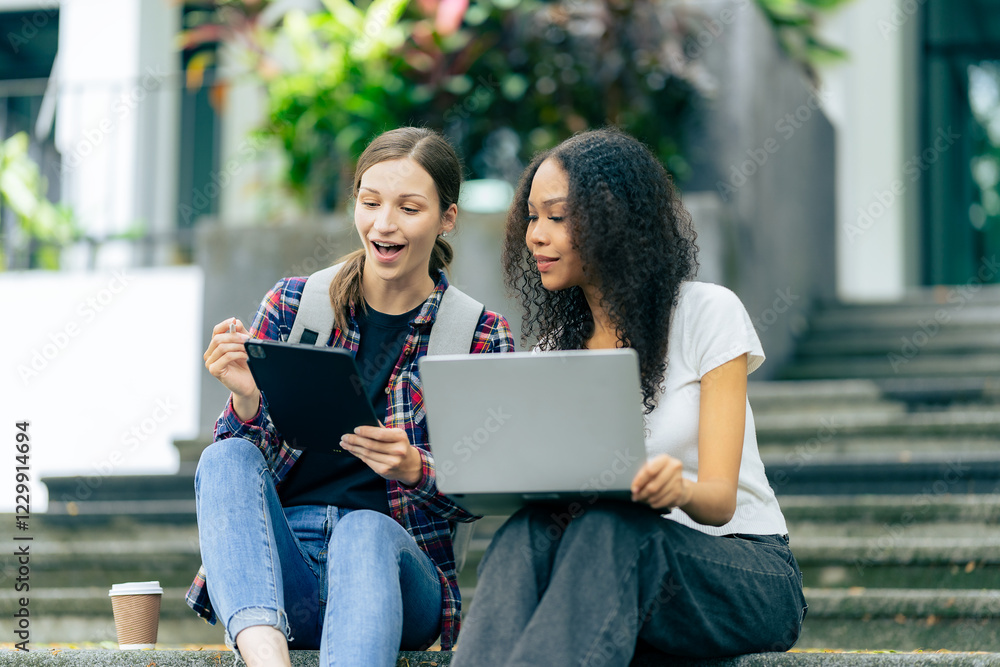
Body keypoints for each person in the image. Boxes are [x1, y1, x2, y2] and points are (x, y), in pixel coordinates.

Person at [451, 128, 807, 667]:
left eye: (557, 216)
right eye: (530, 217)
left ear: (611, 218)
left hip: (744, 573)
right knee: (527, 531)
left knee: (616, 529)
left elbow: (718, 501)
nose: (535, 236)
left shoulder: (707, 314)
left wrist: (677, 488)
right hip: (603, 564)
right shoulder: (552, 351)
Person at [187, 127, 514, 667]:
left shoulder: (478, 333)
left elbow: (489, 489)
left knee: (363, 531)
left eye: (409, 208)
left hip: (400, 575)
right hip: (282, 568)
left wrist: (415, 468)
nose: (385, 224)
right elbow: (240, 484)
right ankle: (266, 658)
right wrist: (247, 400)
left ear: (447, 218)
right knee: (224, 455)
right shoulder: (294, 304)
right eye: (371, 203)